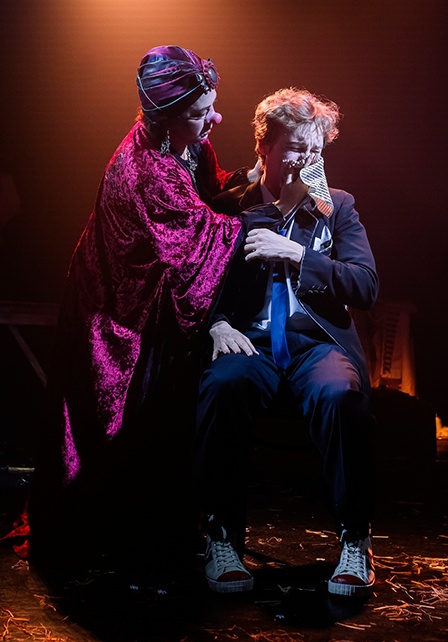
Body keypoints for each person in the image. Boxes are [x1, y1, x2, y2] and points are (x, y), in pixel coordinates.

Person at [23, 47, 304, 573]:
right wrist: (271, 208)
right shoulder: (145, 168)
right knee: (124, 417)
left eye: (211, 106)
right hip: (117, 308)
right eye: (201, 112)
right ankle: (123, 536)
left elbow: (206, 196)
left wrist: (251, 177)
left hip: (155, 291)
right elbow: (198, 239)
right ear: (166, 117)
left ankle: (166, 529)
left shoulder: (186, 140)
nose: (215, 119)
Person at [193, 87, 379, 597]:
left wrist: (300, 256)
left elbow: (366, 286)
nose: (308, 159)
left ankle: (355, 538)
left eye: (316, 149)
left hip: (314, 343)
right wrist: (216, 322)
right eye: (297, 147)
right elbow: (194, 284)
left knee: (341, 395)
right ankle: (221, 537)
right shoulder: (227, 208)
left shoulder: (336, 206)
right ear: (264, 146)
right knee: (223, 386)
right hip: (249, 340)